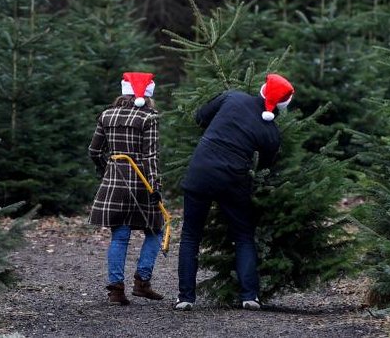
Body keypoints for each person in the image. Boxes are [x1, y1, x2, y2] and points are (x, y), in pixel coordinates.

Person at [175, 73, 295, 311]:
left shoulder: (232, 97)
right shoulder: (271, 132)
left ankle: (186, 298)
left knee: (190, 236)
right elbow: (266, 167)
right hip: (234, 180)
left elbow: (201, 117)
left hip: (200, 172)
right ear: (283, 105)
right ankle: (249, 296)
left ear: (262, 88)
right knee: (243, 236)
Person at [88, 71, 165, 305]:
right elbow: (150, 156)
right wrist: (155, 187)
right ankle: (142, 282)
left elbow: (94, 151)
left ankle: (116, 291)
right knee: (155, 230)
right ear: (147, 95)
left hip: (114, 183)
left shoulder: (107, 115)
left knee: (120, 236)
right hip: (141, 182)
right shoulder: (148, 118)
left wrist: (108, 170)